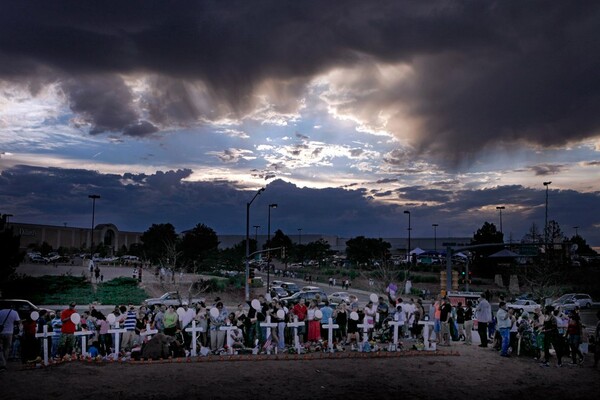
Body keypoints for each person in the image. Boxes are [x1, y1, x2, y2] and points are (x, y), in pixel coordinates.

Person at [0, 305, 20, 371]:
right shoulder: (14, 312)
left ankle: (2, 363)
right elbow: (17, 322)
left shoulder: (0, 312)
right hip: (9, 332)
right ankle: (4, 364)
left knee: (0, 349)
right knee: (7, 348)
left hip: (0, 332)